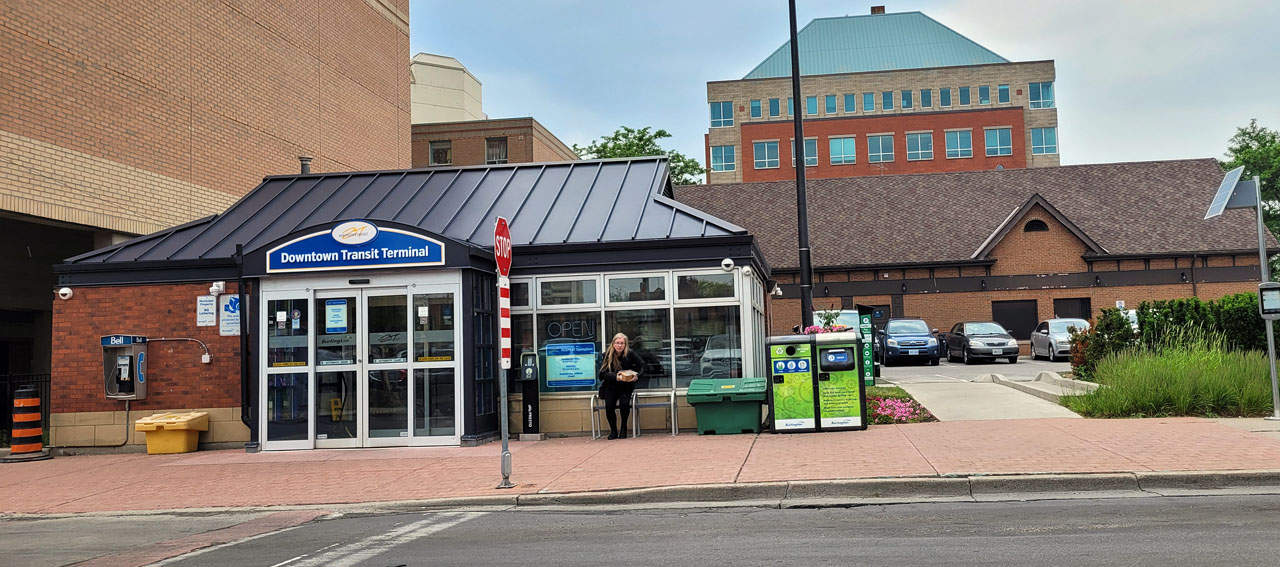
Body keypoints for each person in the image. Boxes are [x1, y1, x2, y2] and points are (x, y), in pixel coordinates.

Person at [598, 332, 644, 439]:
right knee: (609, 406)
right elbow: (601, 374)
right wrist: (615, 377)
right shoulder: (606, 355)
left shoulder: (630, 354)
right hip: (611, 385)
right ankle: (613, 431)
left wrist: (637, 375)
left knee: (624, 405)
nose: (619, 345)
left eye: (622, 343)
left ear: (625, 344)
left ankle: (623, 428)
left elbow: (642, 365)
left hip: (626, 386)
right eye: (617, 343)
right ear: (613, 344)